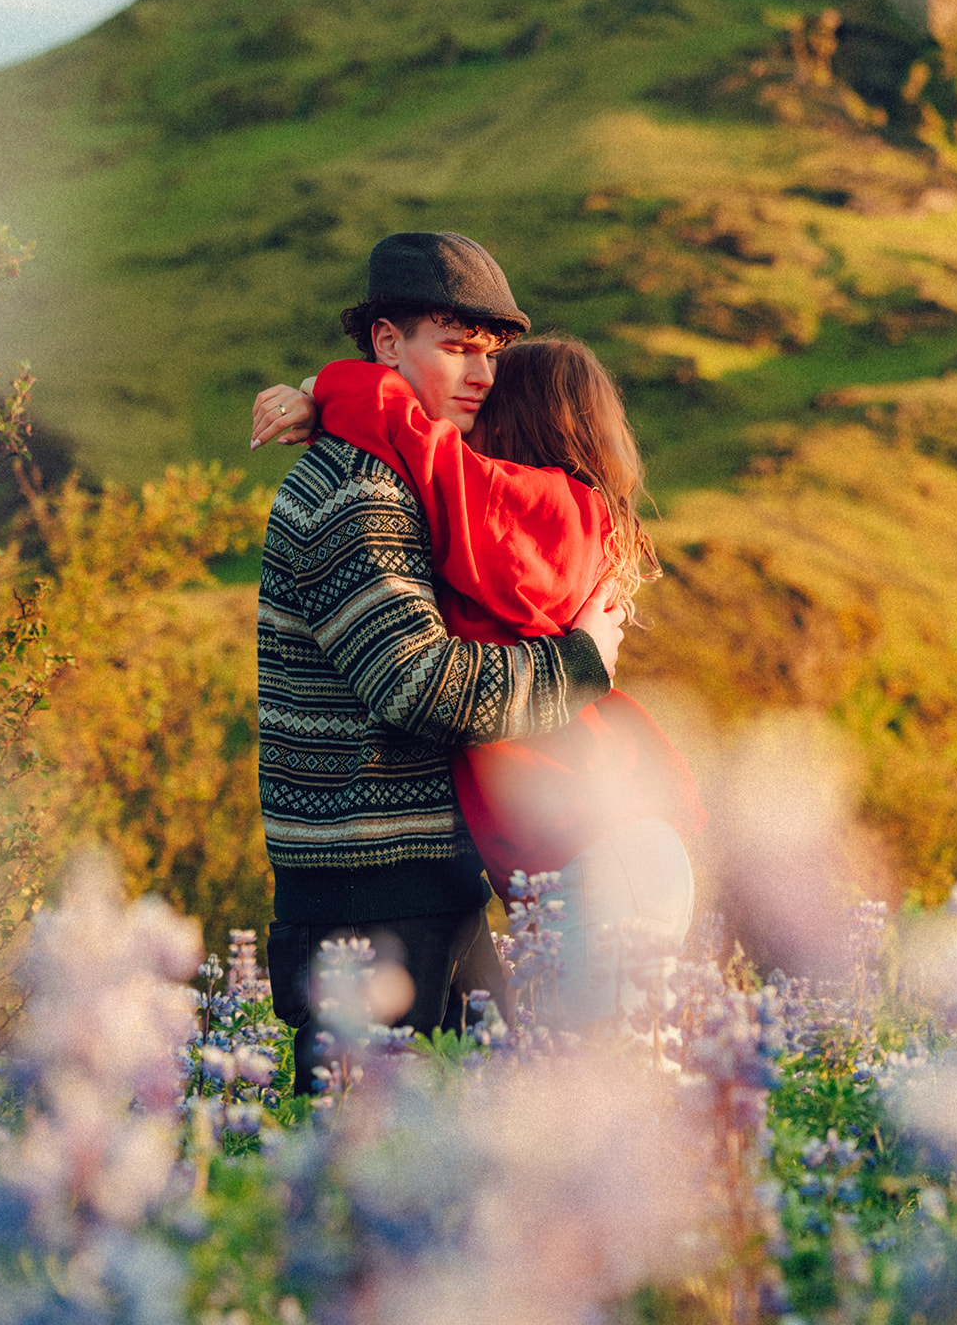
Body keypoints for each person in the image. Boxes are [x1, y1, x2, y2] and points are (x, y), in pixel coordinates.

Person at [253, 230, 624, 1090]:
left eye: (491, 353)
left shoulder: (405, 475)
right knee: (370, 1191)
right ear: (387, 343)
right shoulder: (353, 492)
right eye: (456, 348)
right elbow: (420, 686)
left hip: (424, 885)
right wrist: (579, 664)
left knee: (471, 1180)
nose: (482, 374)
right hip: (368, 902)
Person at [255, 334, 706, 1024]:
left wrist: (326, 389)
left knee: (594, 1105)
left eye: (490, 388)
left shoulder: (542, 516)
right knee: (590, 1094)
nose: (469, 405)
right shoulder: (540, 527)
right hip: (596, 854)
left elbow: (422, 450)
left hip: (601, 858)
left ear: (519, 419)